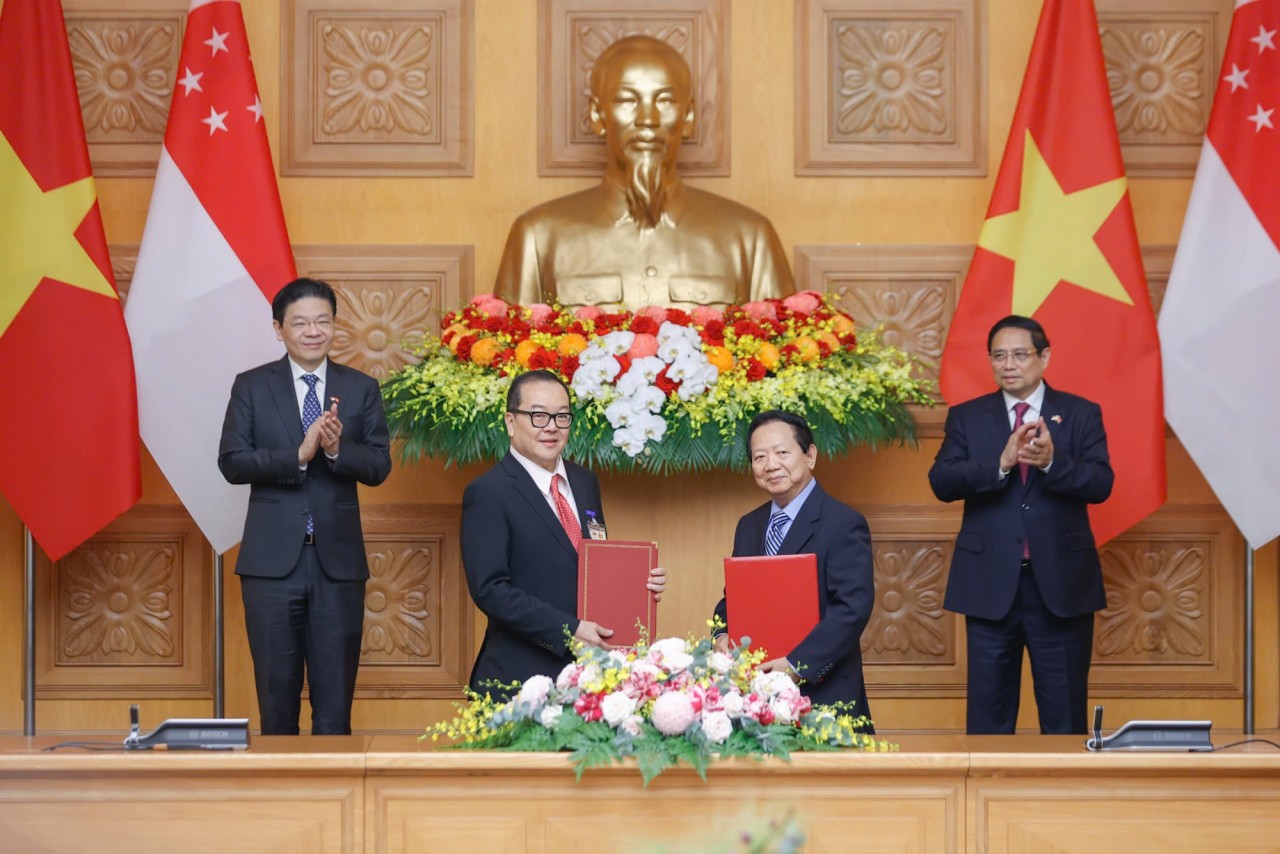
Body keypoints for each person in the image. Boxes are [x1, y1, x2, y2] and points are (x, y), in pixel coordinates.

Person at [494, 35, 794, 310]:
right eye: (627, 100)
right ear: (597, 115)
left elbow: (787, 360)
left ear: (688, 117)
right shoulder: (537, 236)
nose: (647, 119)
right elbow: (508, 359)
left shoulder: (750, 237)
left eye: (664, 100)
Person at [218, 277, 391, 735]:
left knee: (334, 707)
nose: (313, 331)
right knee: (276, 702)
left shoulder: (361, 388)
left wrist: (336, 451)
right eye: (300, 322)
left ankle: (334, 803)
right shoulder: (252, 386)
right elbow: (232, 462)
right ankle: (278, 805)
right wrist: (297, 455)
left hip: (337, 565)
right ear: (279, 329)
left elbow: (378, 466)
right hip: (271, 567)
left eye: (323, 321)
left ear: (334, 326)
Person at [928, 315, 1113, 735]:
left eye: (1019, 354)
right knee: (988, 719)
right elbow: (941, 481)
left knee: (1065, 717)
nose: (1008, 364)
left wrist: (1051, 462)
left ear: (1044, 357)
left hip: (1062, 587)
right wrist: (1000, 463)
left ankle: (1062, 801)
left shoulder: (1081, 414)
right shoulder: (968, 417)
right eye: (998, 356)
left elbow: (1102, 483)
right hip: (990, 586)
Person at [462, 369, 666, 696]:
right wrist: (568, 631)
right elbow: (491, 591)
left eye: (561, 416)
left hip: (590, 677)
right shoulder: (488, 493)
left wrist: (638, 585)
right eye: (538, 415)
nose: (552, 427)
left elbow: (589, 567)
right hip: (521, 677)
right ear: (511, 423)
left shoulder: (585, 482)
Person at [712, 410, 875, 724]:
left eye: (782, 452)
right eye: (760, 457)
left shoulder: (844, 523)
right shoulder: (749, 525)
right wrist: (721, 633)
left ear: (809, 455)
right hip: (754, 694)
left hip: (822, 696)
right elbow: (734, 596)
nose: (771, 465)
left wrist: (797, 665)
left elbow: (852, 608)